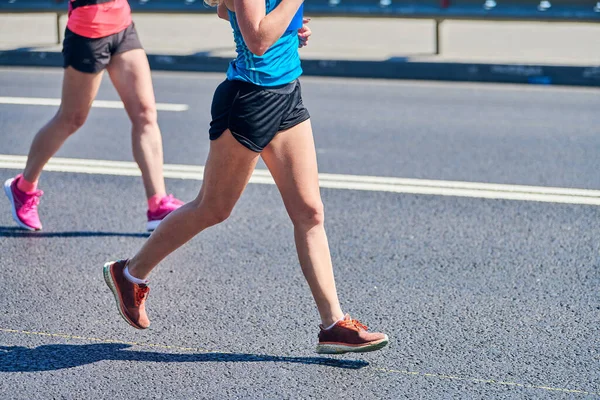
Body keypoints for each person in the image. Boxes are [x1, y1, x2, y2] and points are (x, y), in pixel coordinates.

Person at [103, 0, 389, 354]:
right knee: (212, 208)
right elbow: (256, 39)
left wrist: (289, 26)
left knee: (310, 213)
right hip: (250, 99)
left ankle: (333, 325)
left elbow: (227, 11)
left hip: (286, 92)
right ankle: (129, 273)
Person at [3, 0, 183, 232]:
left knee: (145, 114)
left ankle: (157, 204)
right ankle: (23, 187)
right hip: (88, 29)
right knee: (71, 118)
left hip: (122, 25)